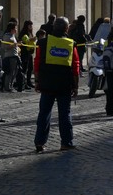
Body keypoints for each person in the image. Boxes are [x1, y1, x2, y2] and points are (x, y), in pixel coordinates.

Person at [33, 17, 79, 152]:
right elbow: (75, 66)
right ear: (66, 29)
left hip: (47, 84)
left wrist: (36, 81)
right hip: (64, 85)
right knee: (65, 114)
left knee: (44, 114)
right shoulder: (71, 44)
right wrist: (75, 86)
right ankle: (66, 142)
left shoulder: (42, 43)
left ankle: (39, 142)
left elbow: (37, 63)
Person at [1, 21, 19, 92]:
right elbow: (4, 47)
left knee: (14, 72)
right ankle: (7, 87)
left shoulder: (13, 36)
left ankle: (11, 85)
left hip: (15, 55)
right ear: (12, 29)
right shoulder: (7, 36)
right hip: (9, 56)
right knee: (10, 72)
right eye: (15, 28)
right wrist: (13, 45)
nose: (16, 29)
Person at [19, 20, 37, 89]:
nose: (31, 27)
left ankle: (28, 81)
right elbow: (26, 41)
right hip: (25, 52)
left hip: (30, 52)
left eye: (31, 25)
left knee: (30, 68)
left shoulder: (30, 33)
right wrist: (33, 39)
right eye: (30, 25)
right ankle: (24, 83)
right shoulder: (24, 33)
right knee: (25, 68)